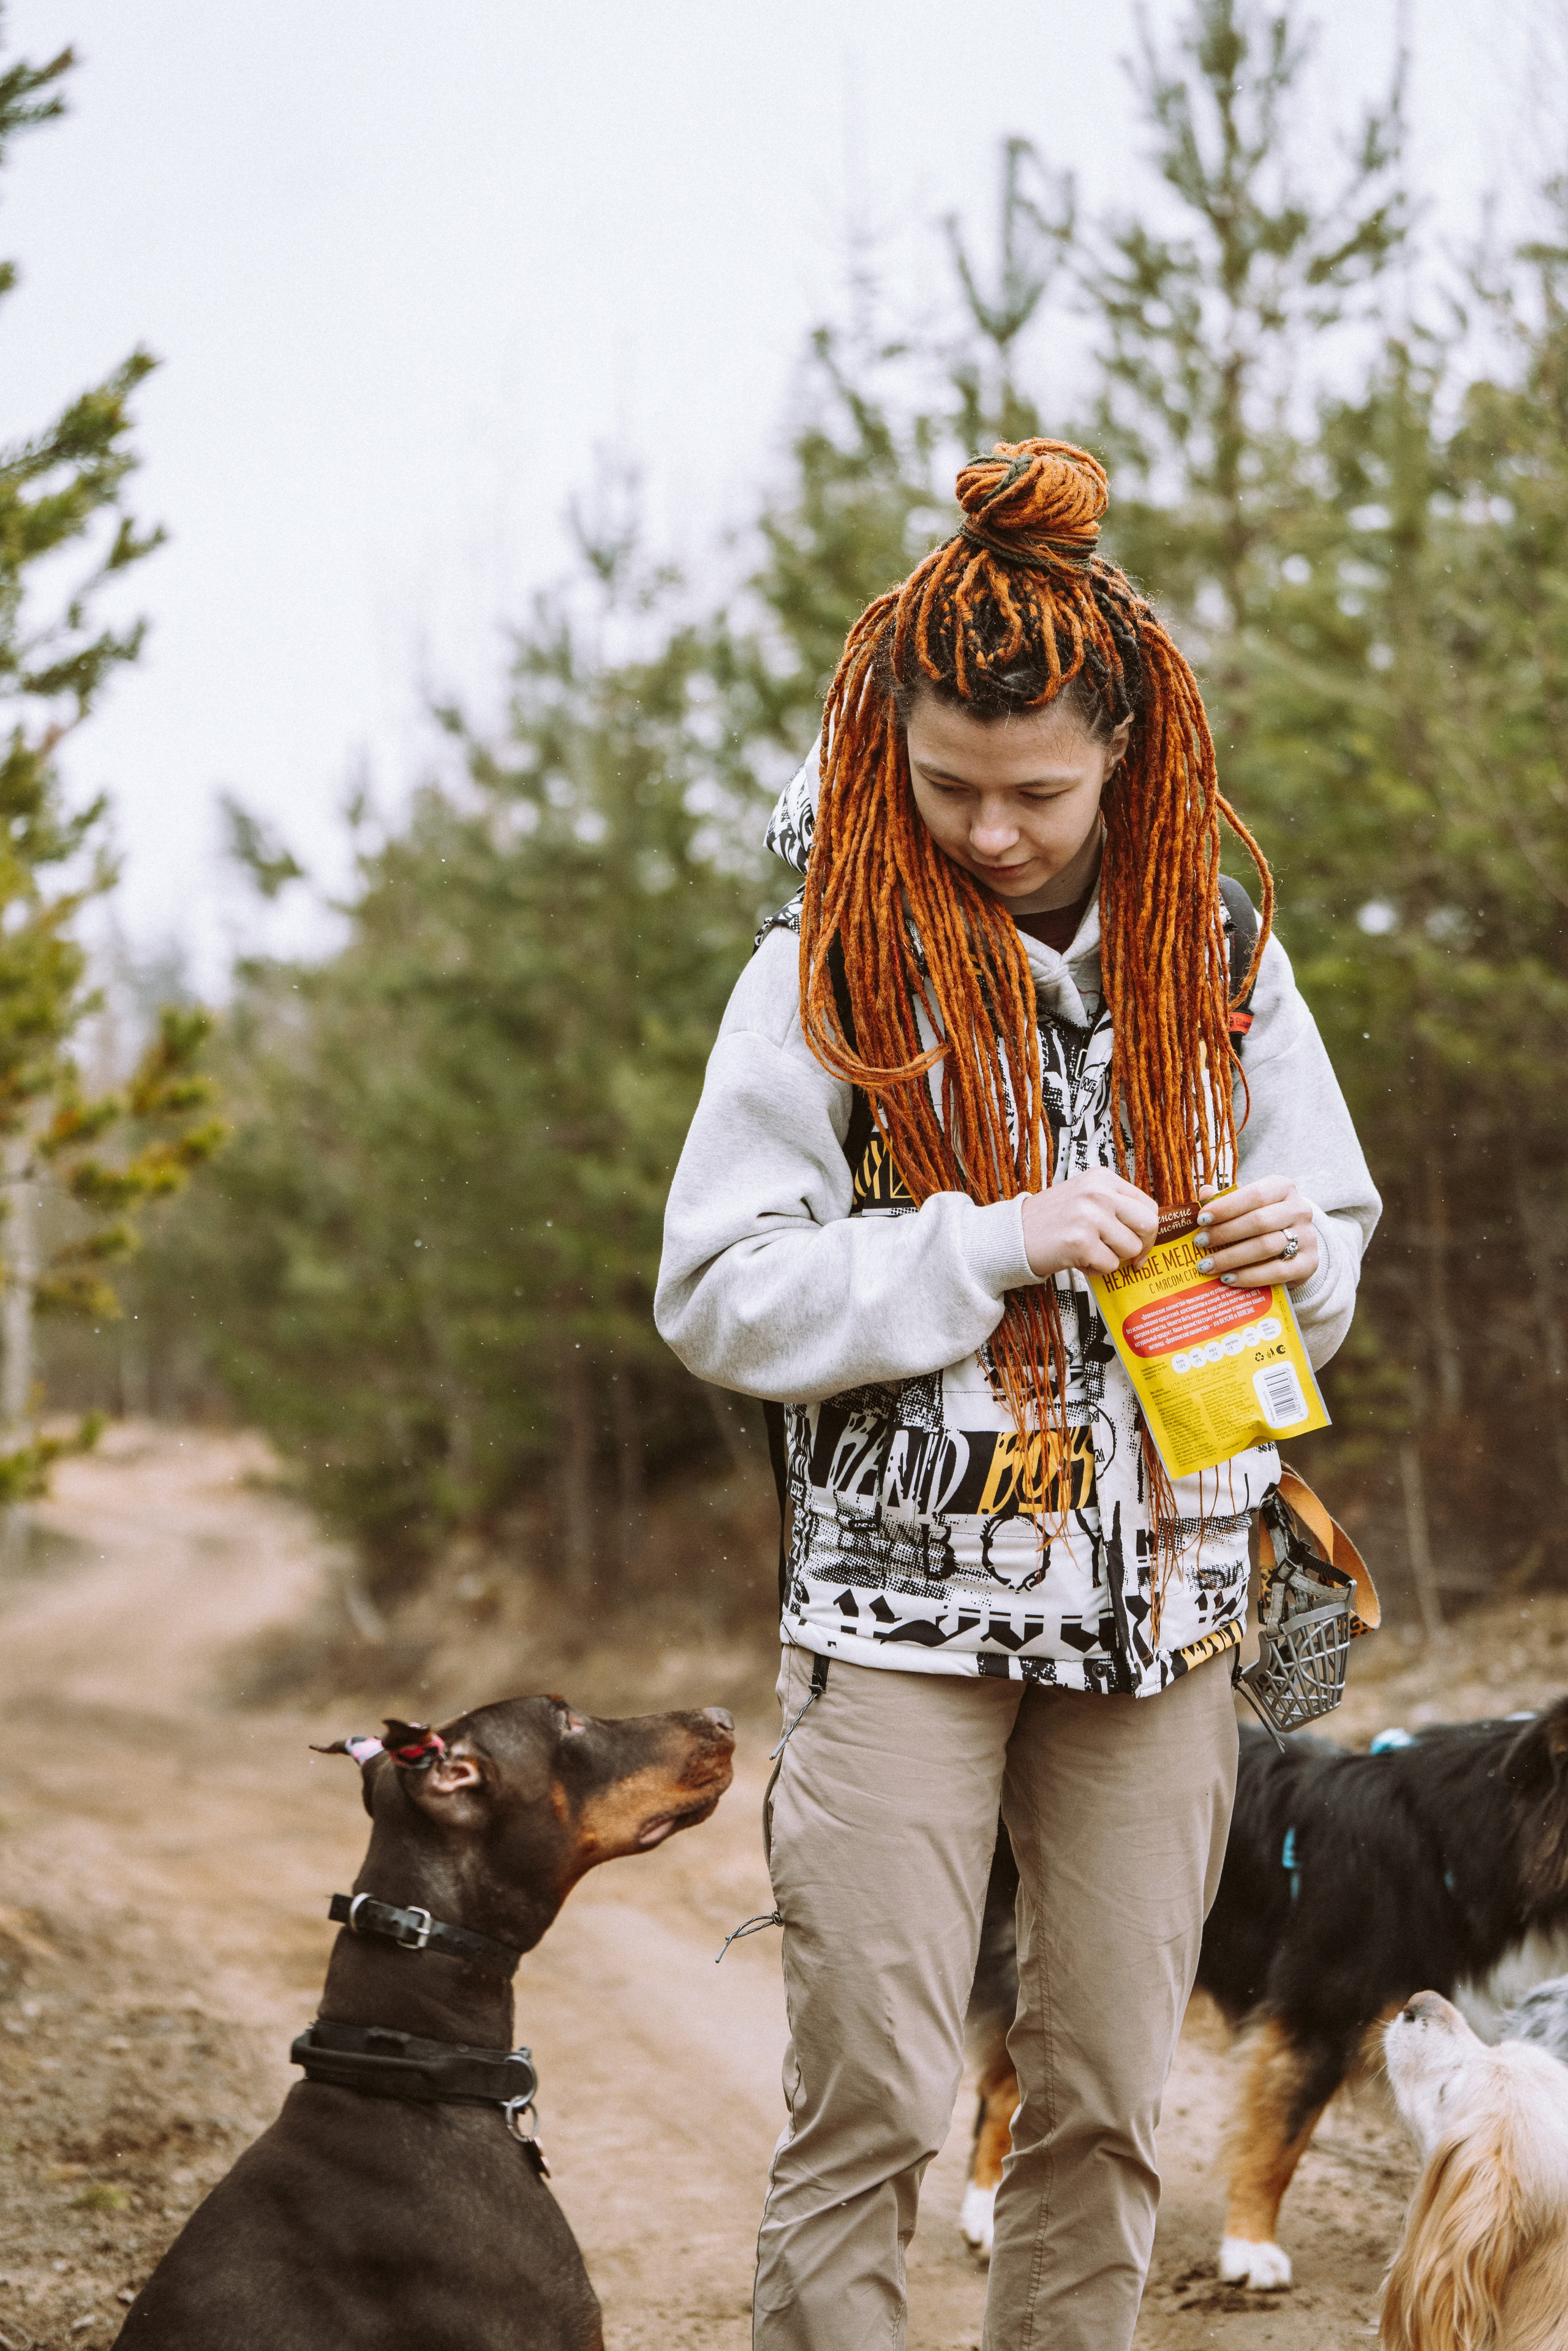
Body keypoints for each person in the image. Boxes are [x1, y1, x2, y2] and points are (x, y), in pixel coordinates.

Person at [654, 439, 1379, 2351]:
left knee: (1105, 2103)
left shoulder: (1220, 961)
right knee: (881, 2100)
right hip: (898, 1627)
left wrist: (1296, 1245)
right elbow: (718, 1294)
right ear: (886, 741)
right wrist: (988, 1240)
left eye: (1037, 791)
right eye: (947, 784)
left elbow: (1344, 1240)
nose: (988, 828)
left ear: (1125, 759)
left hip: (1166, 1621)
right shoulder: (827, 975)